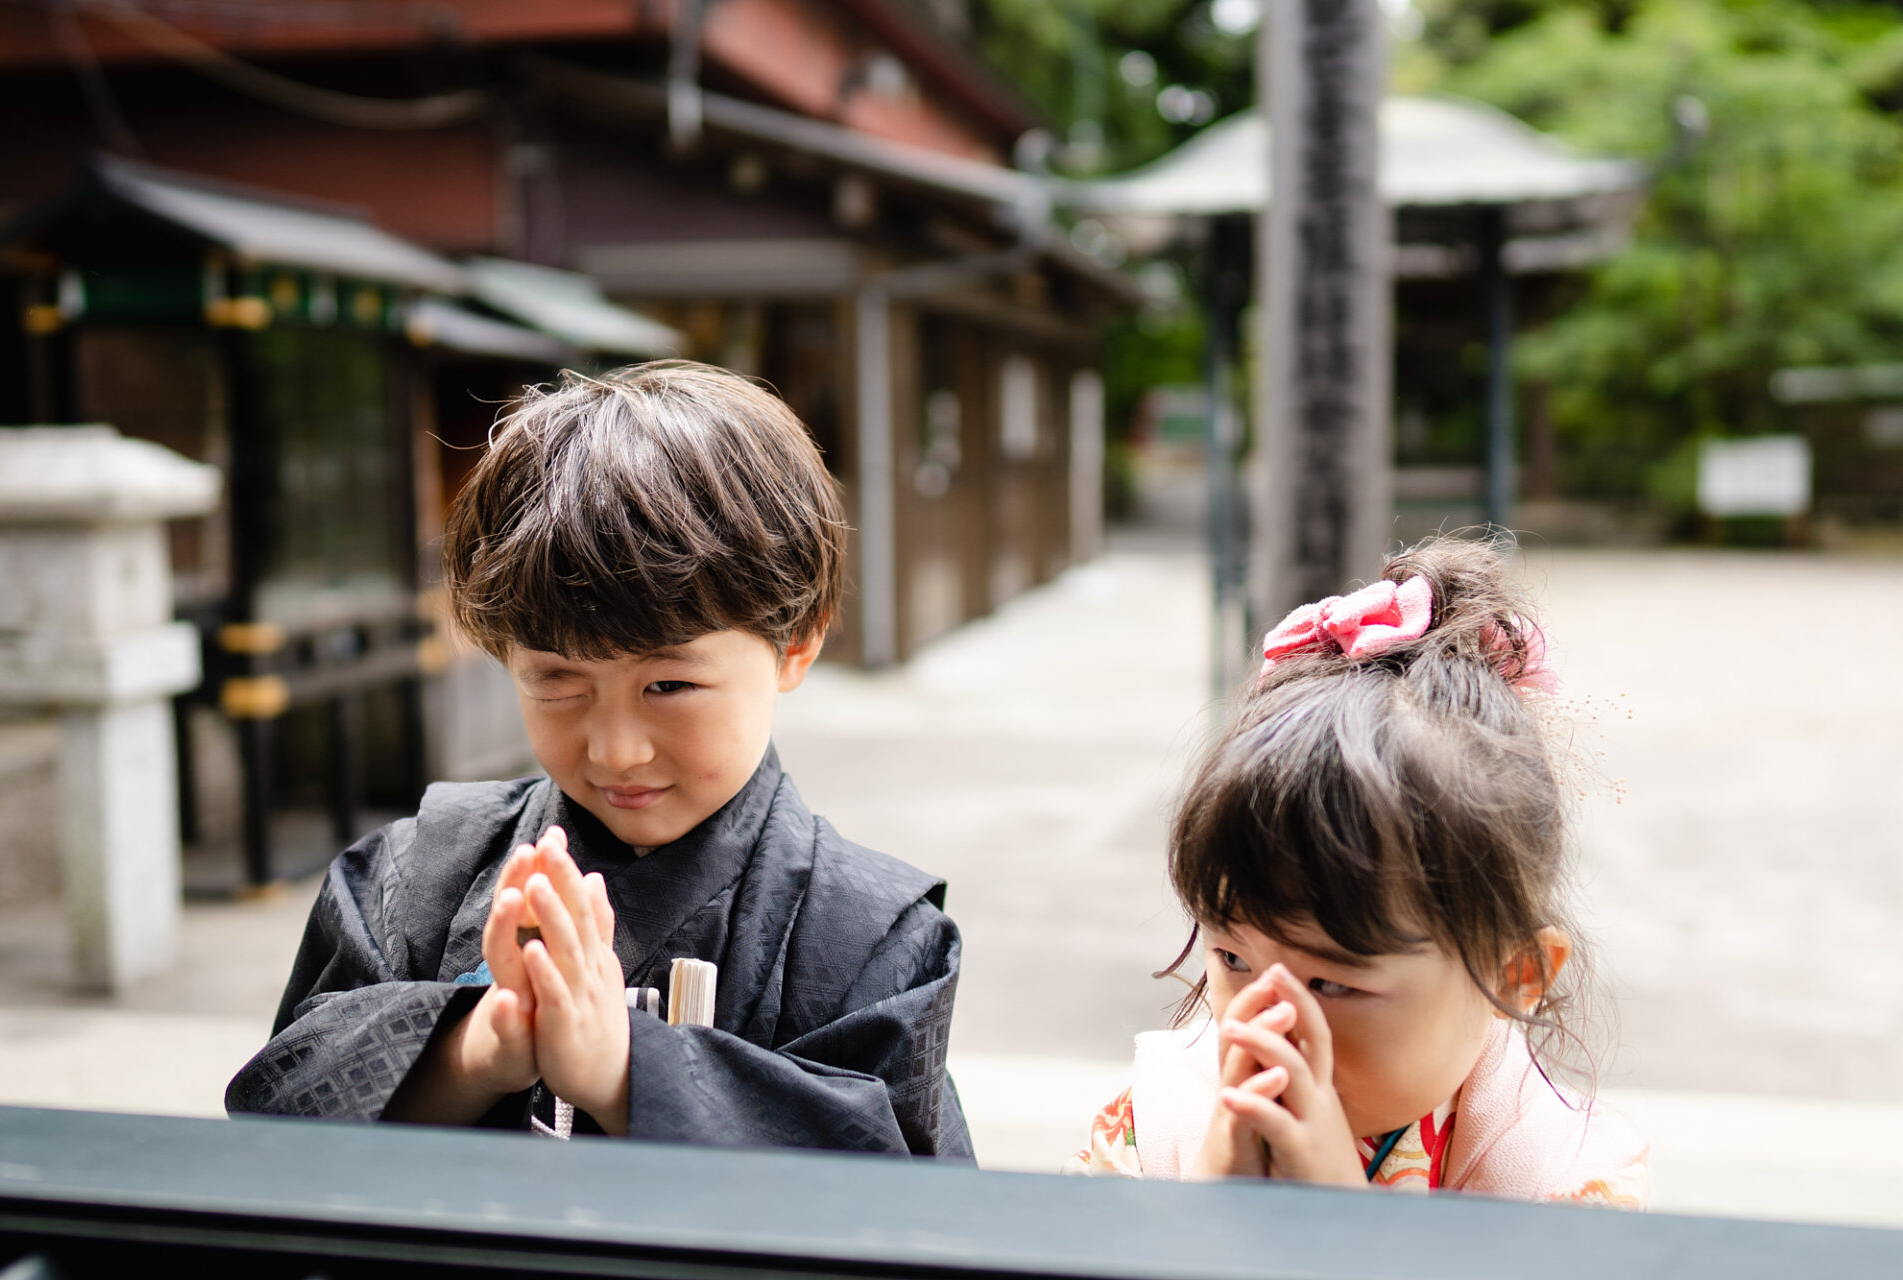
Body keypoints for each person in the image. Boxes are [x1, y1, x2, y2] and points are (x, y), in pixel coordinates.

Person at [227, 362, 971, 1159]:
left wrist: (625, 1070)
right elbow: (280, 1114)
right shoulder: (420, 877)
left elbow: (901, 1204)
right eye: (557, 682)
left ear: (797, 642)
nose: (617, 748)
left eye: (671, 684)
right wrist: (479, 1048)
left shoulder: (869, 936)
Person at [1069, 539, 1646, 1205]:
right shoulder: (1157, 1127)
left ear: (1515, 972)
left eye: (1333, 984)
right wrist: (1198, 1214)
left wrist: (1347, 1226)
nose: (1273, 1027)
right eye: (1232, 958)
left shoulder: (1561, 1184)